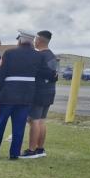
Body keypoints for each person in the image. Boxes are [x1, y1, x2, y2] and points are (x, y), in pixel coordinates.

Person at [0, 30, 55, 160]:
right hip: (27, 96)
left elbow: (1, 75)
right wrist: (54, 76)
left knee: (0, 124)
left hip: (8, 95)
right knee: (19, 126)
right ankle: (14, 153)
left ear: (20, 40)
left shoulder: (10, 53)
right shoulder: (37, 56)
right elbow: (48, 73)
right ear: (31, 41)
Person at [22, 30, 57, 158]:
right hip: (50, 91)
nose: (34, 41)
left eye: (36, 39)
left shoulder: (40, 56)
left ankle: (31, 150)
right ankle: (40, 148)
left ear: (40, 40)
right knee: (42, 120)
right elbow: (53, 75)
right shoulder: (52, 55)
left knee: (34, 120)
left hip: (39, 91)